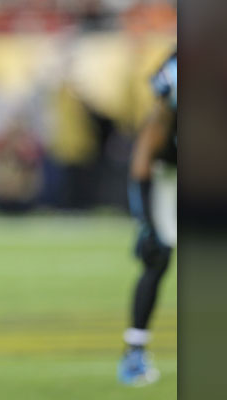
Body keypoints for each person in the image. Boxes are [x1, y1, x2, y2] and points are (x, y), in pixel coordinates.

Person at [118, 49, 176, 386]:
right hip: (169, 173)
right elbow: (144, 155)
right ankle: (135, 352)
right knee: (158, 255)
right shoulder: (177, 80)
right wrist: (146, 221)